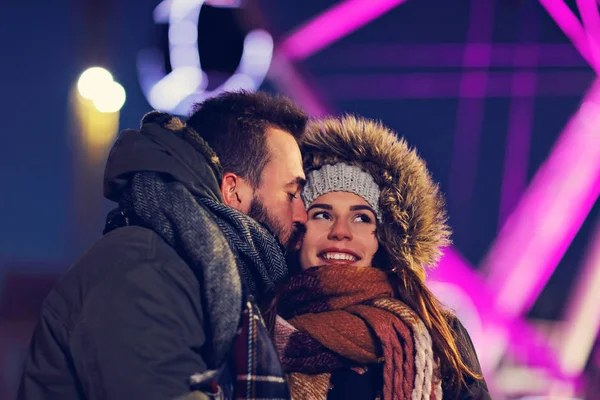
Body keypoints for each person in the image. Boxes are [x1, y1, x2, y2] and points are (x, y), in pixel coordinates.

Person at [17, 91, 309, 400]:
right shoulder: (145, 267)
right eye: (292, 193)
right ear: (233, 190)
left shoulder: (196, 272)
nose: (303, 215)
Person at [271, 115, 491, 399]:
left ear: (383, 237)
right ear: (297, 227)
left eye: (361, 218)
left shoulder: (439, 335)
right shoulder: (257, 324)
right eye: (323, 215)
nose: (341, 232)